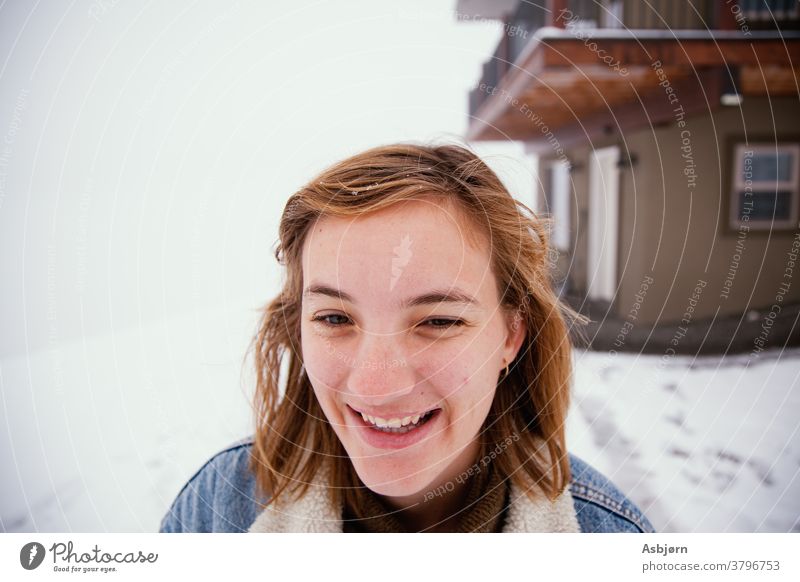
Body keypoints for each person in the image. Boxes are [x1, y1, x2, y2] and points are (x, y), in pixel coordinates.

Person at [159, 142, 654, 533]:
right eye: (334, 318)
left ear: (511, 334)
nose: (378, 386)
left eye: (438, 321)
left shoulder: (611, 537)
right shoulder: (215, 514)